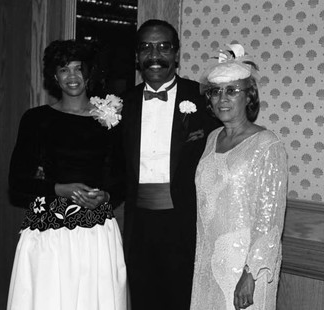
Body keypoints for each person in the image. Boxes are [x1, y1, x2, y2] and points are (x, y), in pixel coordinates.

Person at [7, 39, 127, 310]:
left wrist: (106, 195)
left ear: (89, 73)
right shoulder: (36, 119)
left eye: (78, 69)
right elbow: (17, 182)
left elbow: (121, 178)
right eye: (64, 69)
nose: (72, 76)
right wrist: (60, 189)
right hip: (49, 232)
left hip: (96, 232)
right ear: (54, 75)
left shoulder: (109, 119)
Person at [120, 19, 220, 310]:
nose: (155, 55)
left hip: (187, 223)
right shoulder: (121, 104)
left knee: (183, 300)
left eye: (164, 47)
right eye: (146, 48)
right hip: (138, 224)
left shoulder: (203, 98)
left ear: (177, 54)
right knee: (142, 299)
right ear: (137, 56)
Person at [190, 44, 288, 310]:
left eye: (232, 91)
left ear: (249, 96)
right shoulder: (212, 139)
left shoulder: (266, 144)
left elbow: (269, 218)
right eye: (216, 92)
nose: (222, 98)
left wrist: (250, 273)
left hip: (246, 267)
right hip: (209, 260)